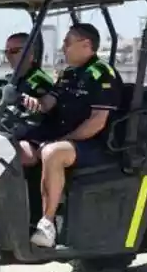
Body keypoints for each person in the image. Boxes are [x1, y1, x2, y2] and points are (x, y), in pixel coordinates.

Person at [20, 24, 122, 248]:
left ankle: (47, 224)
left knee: (52, 152)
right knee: (19, 148)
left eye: (67, 43)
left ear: (86, 45)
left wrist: (64, 140)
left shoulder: (102, 74)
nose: (63, 48)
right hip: (69, 140)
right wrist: (35, 103)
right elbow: (50, 102)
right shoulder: (68, 74)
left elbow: (97, 122)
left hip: (95, 144)